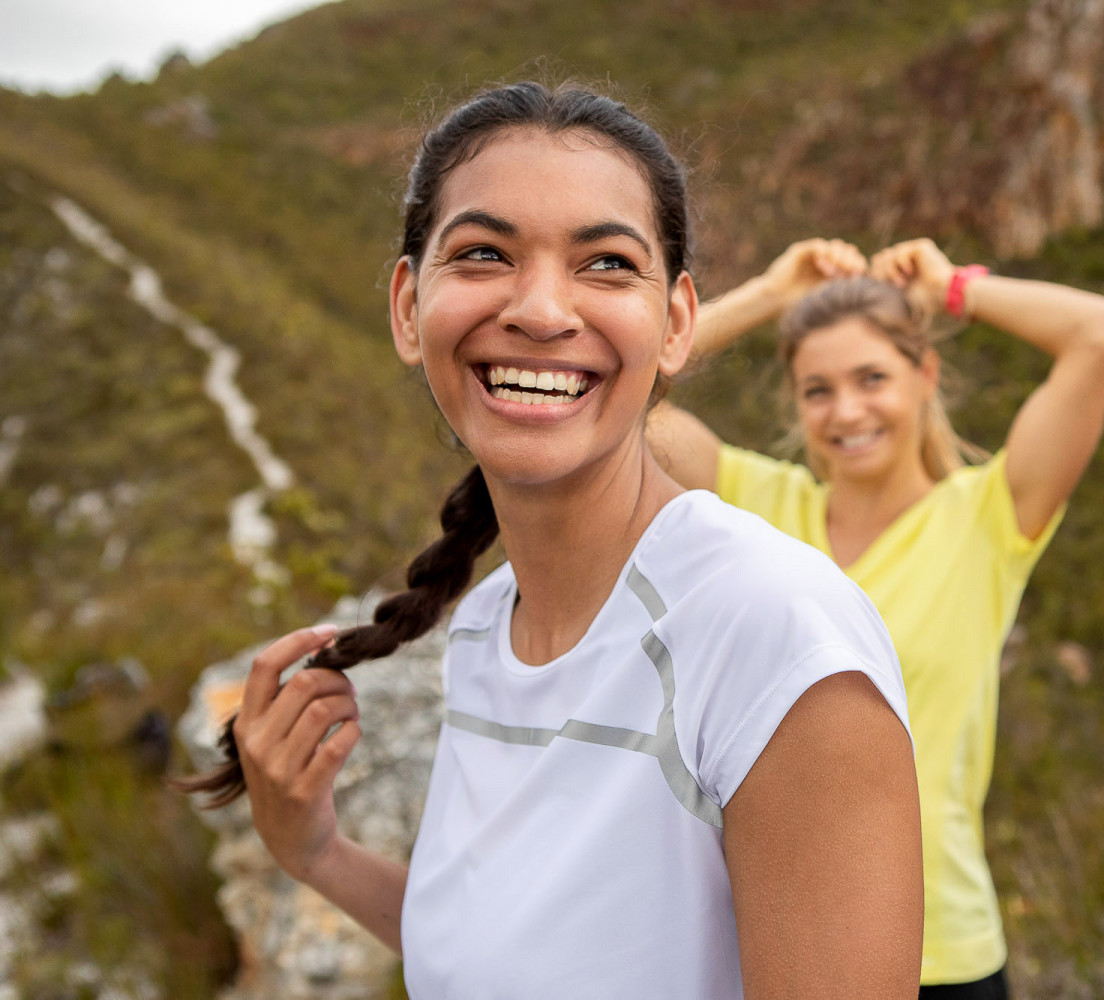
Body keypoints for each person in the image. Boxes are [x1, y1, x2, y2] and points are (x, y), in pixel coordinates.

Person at [178, 84, 923, 998]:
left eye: (606, 264)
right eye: (484, 253)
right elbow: (498, 957)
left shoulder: (773, 637)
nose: (539, 309)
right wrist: (317, 850)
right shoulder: (491, 627)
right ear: (409, 307)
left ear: (678, 321)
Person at [648, 236, 1104, 997]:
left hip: (941, 958)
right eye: (817, 389)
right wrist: (771, 295)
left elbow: (1101, 335)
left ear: (925, 376)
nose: (847, 411)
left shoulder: (986, 518)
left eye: (872, 378)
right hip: (767, 951)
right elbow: (622, 388)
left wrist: (952, 290)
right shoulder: (757, 507)